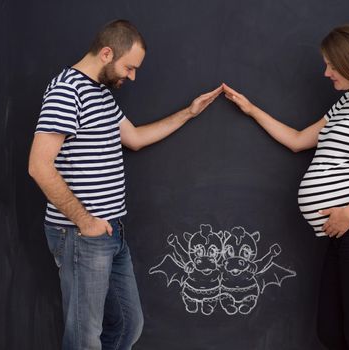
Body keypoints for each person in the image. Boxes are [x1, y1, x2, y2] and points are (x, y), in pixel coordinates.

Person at [28, 19, 221, 350]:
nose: (131, 77)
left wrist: (189, 113)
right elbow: (38, 166)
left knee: (128, 324)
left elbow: (134, 138)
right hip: (81, 235)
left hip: (111, 232)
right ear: (106, 53)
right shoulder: (66, 91)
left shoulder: (99, 92)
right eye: (129, 67)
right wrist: (85, 221)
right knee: (84, 338)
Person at [223, 24, 349, 350]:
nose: (326, 73)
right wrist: (251, 110)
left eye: (332, 65)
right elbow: (297, 140)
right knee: (330, 332)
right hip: (346, 233)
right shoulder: (344, 104)